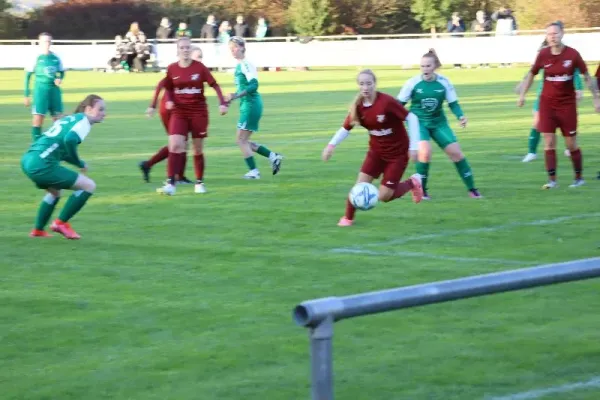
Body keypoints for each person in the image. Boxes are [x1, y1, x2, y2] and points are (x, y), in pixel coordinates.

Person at [322, 69, 423, 227]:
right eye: (362, 84)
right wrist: (331, 145)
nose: (365, 87)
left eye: (369, 83)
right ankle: (348, 218)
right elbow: (345, 128)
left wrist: (414, 146)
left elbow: (412, 118)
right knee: (359, 185)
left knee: (384, 196)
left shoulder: (386, 102)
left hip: (397, 155)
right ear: (358, 86)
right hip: (376, 153)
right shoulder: (358, 107)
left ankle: (413, 182)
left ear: (374, 84)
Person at [518, 22, 600, 189]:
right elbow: (532, 74)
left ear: (562, 34)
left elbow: (586, 76)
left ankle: (578, 178)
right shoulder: (543, 54)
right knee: (549, 142)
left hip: (567, 105)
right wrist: (522, 94)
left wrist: (596, 97)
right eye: (549, 34)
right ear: (546, 37)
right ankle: (552, 180)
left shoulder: (572, 54)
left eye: (555, 33)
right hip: (547, 104)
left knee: (571, 144)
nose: (552, 37)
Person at [397, 49, 481, 200]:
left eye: (428, 66)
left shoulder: (444, 82)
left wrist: (460, 116)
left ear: (435, 66)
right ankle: (422, 190)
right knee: (425, 152)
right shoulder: (413, 83)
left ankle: (472, 189)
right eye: (422, 66)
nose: (425, 69)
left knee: (456, 153)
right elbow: (398, 105)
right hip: (419, 123)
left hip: (438, 122)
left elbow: (453, 103)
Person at [20, 94, 105, 239]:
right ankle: (61, 223)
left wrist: (78, 162)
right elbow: (70, 140)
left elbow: (61, 148)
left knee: (54, 192)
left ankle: (38, 230)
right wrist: (78, 162)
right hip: (42, 164)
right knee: (88, 186)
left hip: (28, 160)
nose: (104, 113)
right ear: (89, 109)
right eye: (101, 109)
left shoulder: (71, 119)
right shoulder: (83, 121)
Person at [158, 37, 228, 195]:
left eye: (188, 47)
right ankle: (170, 183)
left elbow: (214, 84)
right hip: (179, 112)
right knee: (175, 144)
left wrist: (222, 102)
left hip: (198, 112)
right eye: (182, 47)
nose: (185, 50)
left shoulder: (200, 68)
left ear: (191, 49)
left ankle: (199, 182)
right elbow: (167, 88)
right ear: (177, 50)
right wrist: (168, 101)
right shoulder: (172, 69)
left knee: (197, 149)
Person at [139, 46, 203, 184]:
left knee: (181, 142)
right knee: (179, 142)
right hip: (170, 108)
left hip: (181, 108)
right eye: (198, 57)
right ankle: (177, 176)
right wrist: (153, 105)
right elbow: (162, 84)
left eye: (201, 57)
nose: (200, 60)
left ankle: (150, 165)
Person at [225, 36, 283, 179]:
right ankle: (273, 156)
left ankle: (254, 172)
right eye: (231, 48)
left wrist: (236, 95)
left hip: (250, 105)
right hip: (248, 104)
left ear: (243, 48)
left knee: (241, 140)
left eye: (235, 47)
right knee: (243, 140)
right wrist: (234, 97)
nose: (233, 50)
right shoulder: (240, 65)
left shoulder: (245, 64)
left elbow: (254, 85)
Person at [518, 35, 583, 162]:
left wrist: (578, 88)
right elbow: (532, 72)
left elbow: (574, 72)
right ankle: (531, 152)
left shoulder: (566, 56)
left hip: (563, 96)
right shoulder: (543, 55)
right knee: (537, 122)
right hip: (543, 96)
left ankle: (569, 147)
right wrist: (521, 87)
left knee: (566, 123)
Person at [24, 32, 65, 142]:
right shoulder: (36, 58)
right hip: (40, 91)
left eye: (48, 41)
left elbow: (62, 72)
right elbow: (27, 76)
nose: (47, 43)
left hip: (54, 92)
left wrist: (60, 78)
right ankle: (36, 144)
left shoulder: (56, 58)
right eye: (44, 41)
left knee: (58, 120)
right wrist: (26, 95)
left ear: (51, 42)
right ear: (40, 43)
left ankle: (56, 145)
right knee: (38, 120)